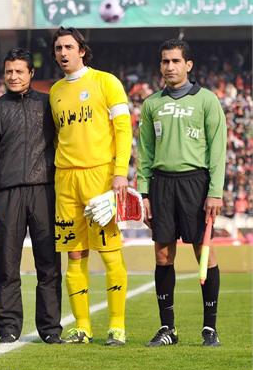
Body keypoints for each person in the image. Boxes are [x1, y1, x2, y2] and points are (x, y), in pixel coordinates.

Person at [137, 39, 227, 347]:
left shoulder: (207, 100)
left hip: (196, 184)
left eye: (176, 61)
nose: (170, 67)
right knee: (163, 255)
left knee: (204, 252)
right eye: (165, 61)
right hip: (161, 184)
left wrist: (215, 191)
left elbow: (218, 149)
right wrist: (143, 193)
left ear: (188, 65)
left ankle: (209, 328)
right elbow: (145, 152)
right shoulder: (151, 104)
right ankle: (168, 329)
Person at [49, 27, 132, 345]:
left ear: (82, 50)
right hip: (66, 180)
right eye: (58, 48)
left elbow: (124, 130)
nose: (63, 53)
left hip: (101, 178)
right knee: (73, 254)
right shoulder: (55, 91)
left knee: (110, 254)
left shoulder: (106, 82)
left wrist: (120, 173)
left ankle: (117, 327)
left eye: (68, 46)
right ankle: (82, 327)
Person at [0, 48, 62, 344]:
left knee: (49, 265)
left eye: (19, 71)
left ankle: (51, 329)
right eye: (9, 71)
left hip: (45, 193)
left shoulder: (49, 105)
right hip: (6, 196)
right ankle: (8, 327)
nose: (13, 76)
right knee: (6, 265)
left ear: (31, 74)